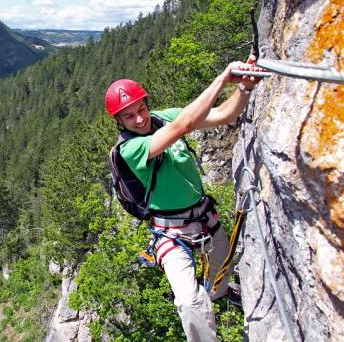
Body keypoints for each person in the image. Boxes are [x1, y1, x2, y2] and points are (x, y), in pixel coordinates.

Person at [104, 56, 265, 342]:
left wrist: (244, 90)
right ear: (118, 121)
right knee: (190, 303)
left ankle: (219, 294)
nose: (140, 119)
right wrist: (222, 79)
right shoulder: (131, 148)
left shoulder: (166, 117)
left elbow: (224, 115)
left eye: (141, 108)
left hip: (204, 219)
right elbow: (184, 126)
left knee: (220, 275)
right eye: (129, 115)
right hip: (170, 233)